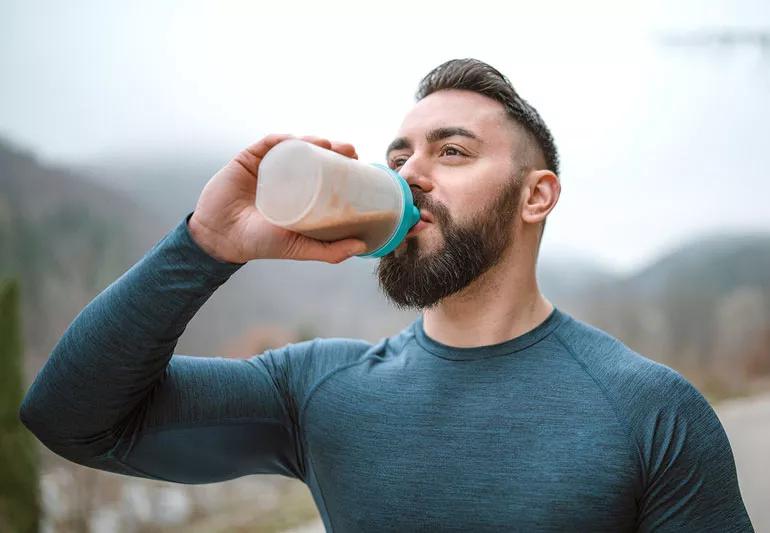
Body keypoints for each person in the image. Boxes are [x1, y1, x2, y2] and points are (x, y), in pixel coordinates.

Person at [19, 58, 753, 532]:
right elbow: (72, 417)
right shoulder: (316, 390)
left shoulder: (651, 412)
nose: (409, 174)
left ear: (537, 196)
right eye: (398, 156)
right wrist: (205, 243)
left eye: (453, 151)